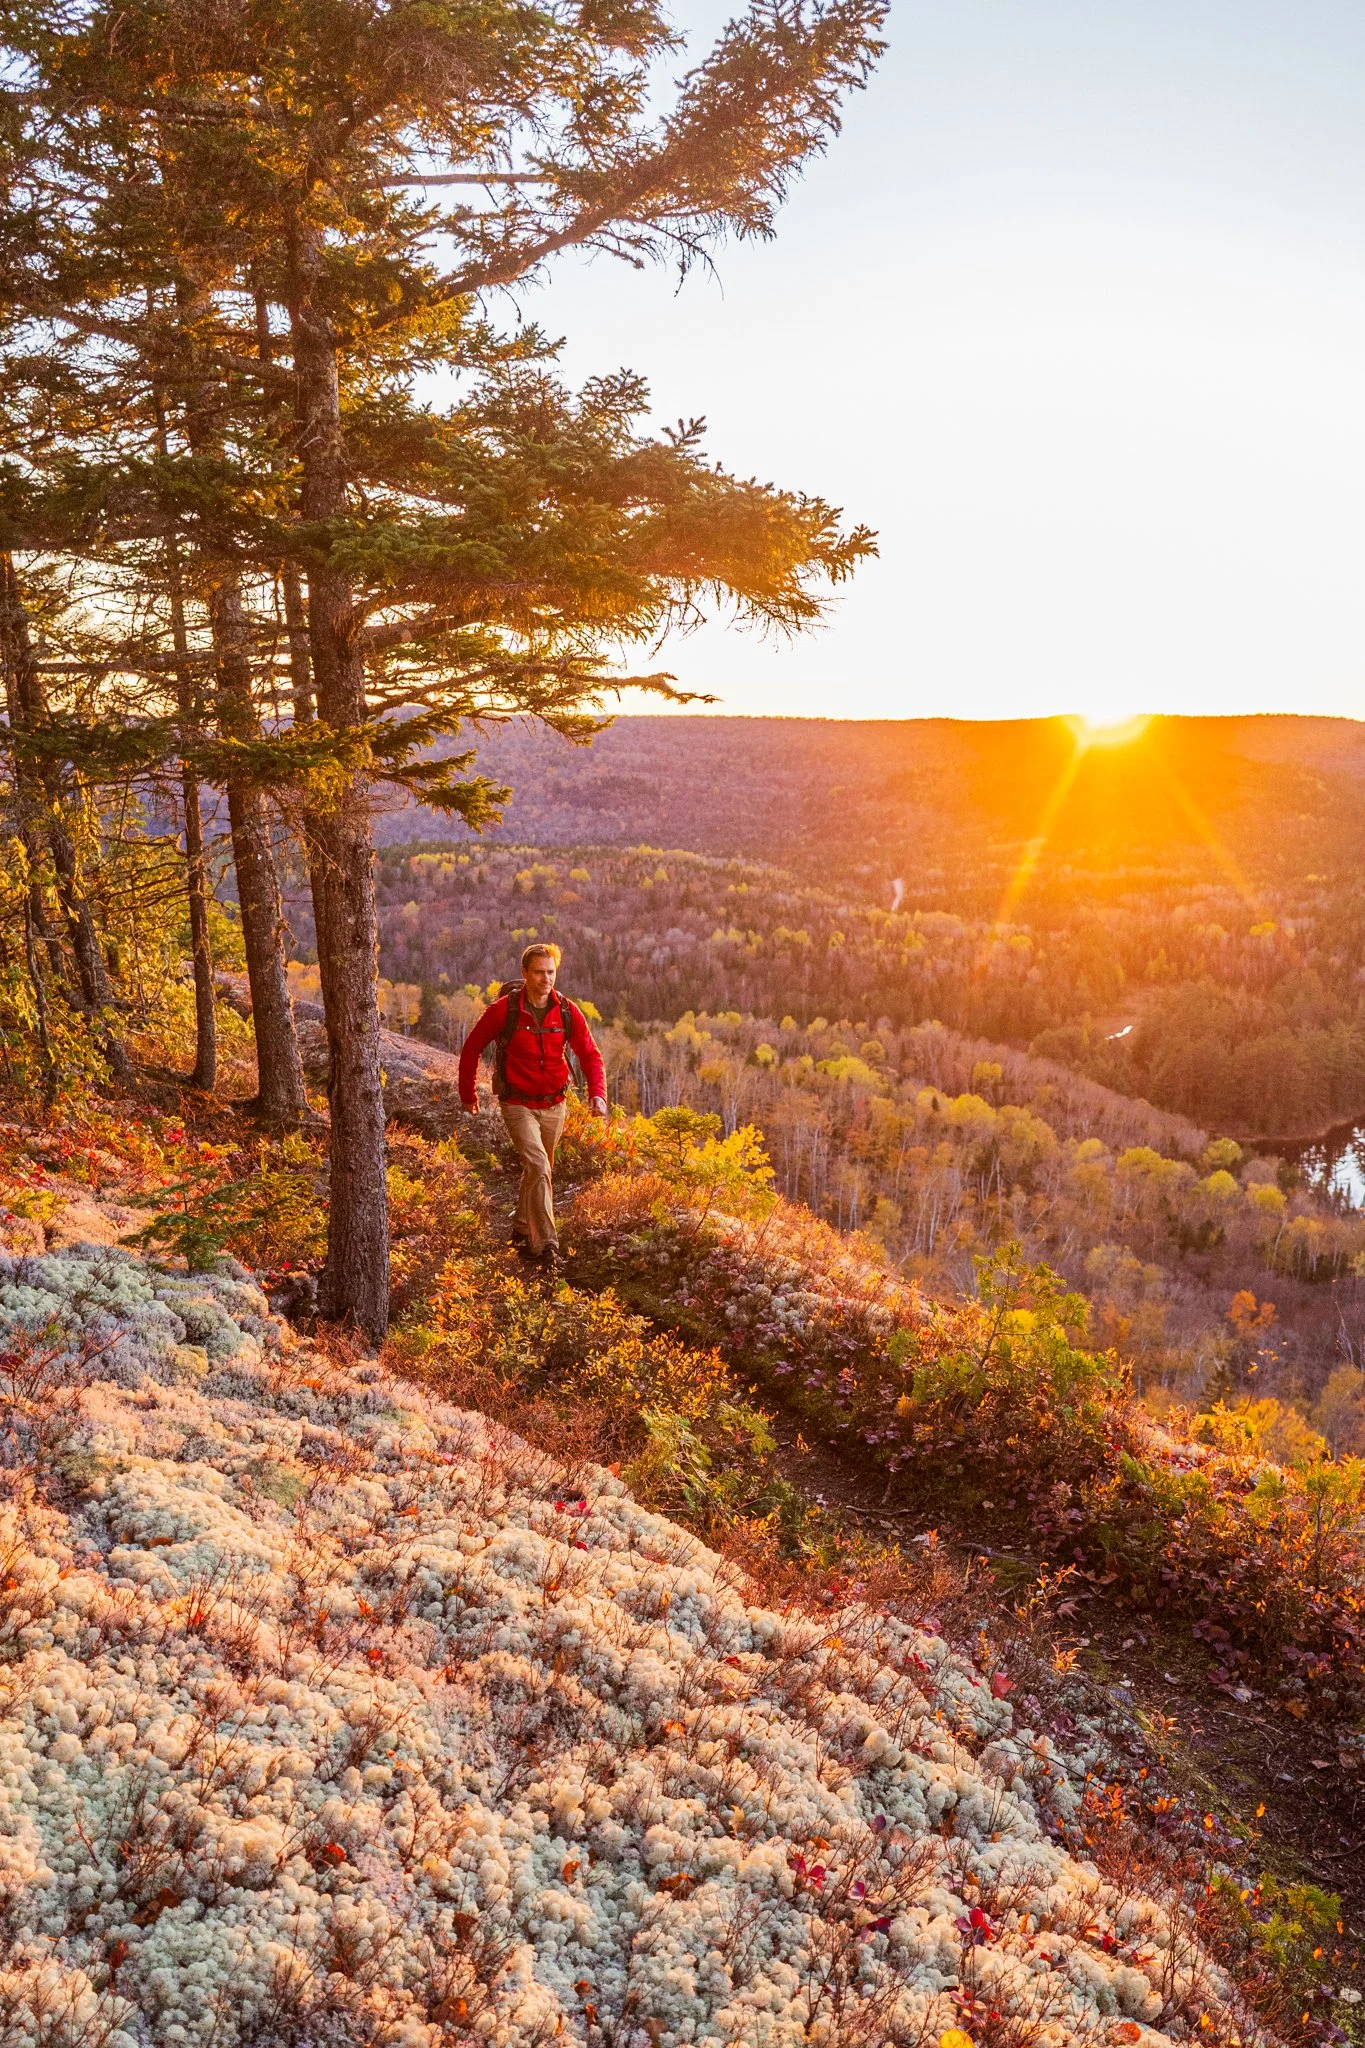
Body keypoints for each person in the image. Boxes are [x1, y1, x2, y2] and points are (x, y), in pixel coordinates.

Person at [457, 942, 607, 1271]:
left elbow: (590, 1055)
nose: (546, 978)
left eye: (551, 972)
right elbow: (471, 1048)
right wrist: (468, 1094)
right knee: (539, 1167)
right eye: (539, 972)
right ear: (524, 973)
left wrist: (598, 1094)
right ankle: (547, 1245)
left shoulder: (567, 1011)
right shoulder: (504, 1011)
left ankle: (522, 1230)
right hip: (517, 1103)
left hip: (555, 1103)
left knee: (539, 1170)